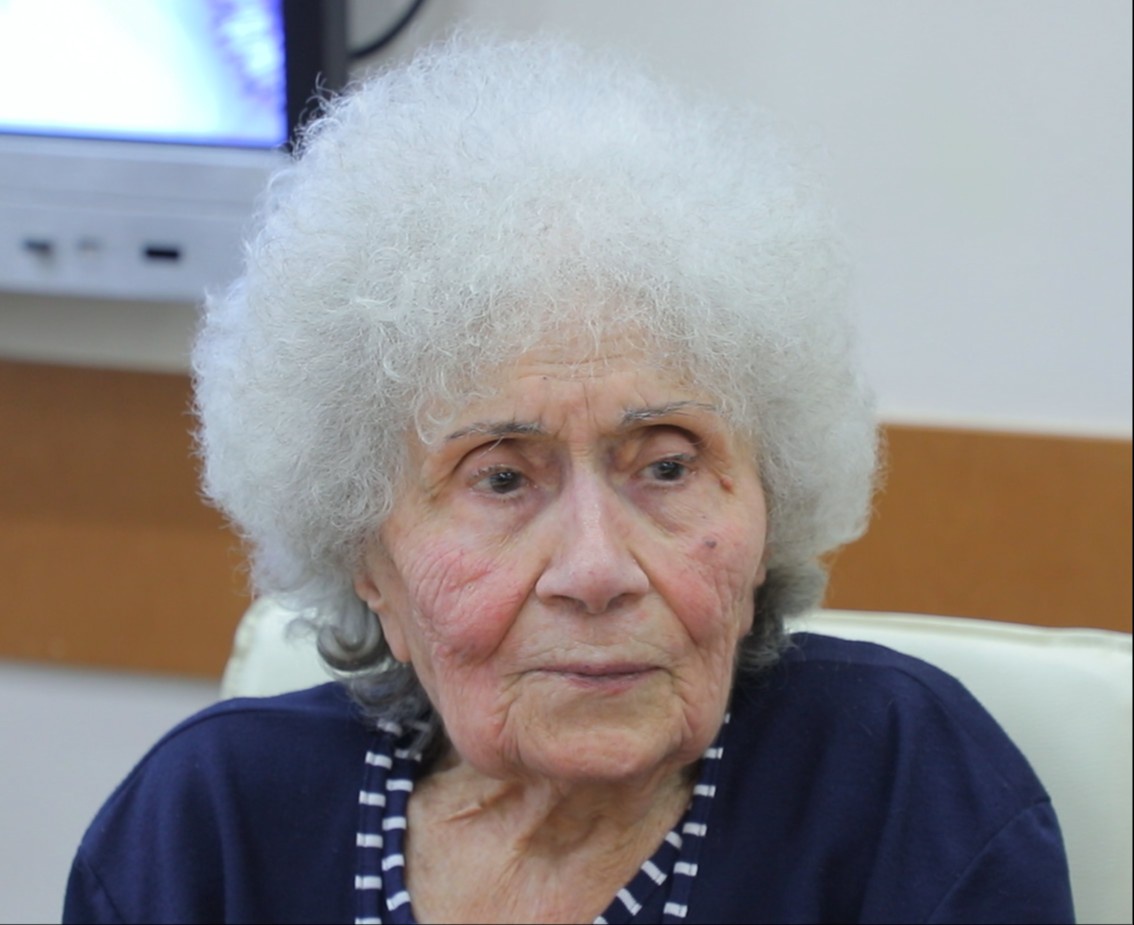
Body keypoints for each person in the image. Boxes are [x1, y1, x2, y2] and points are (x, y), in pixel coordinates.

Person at [63, 35, 1073, 924]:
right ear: (368, 557)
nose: (597, 570)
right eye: (502, 479)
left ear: (769, 506)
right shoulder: (207, 829)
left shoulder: (902, 789)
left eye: (668, 465)